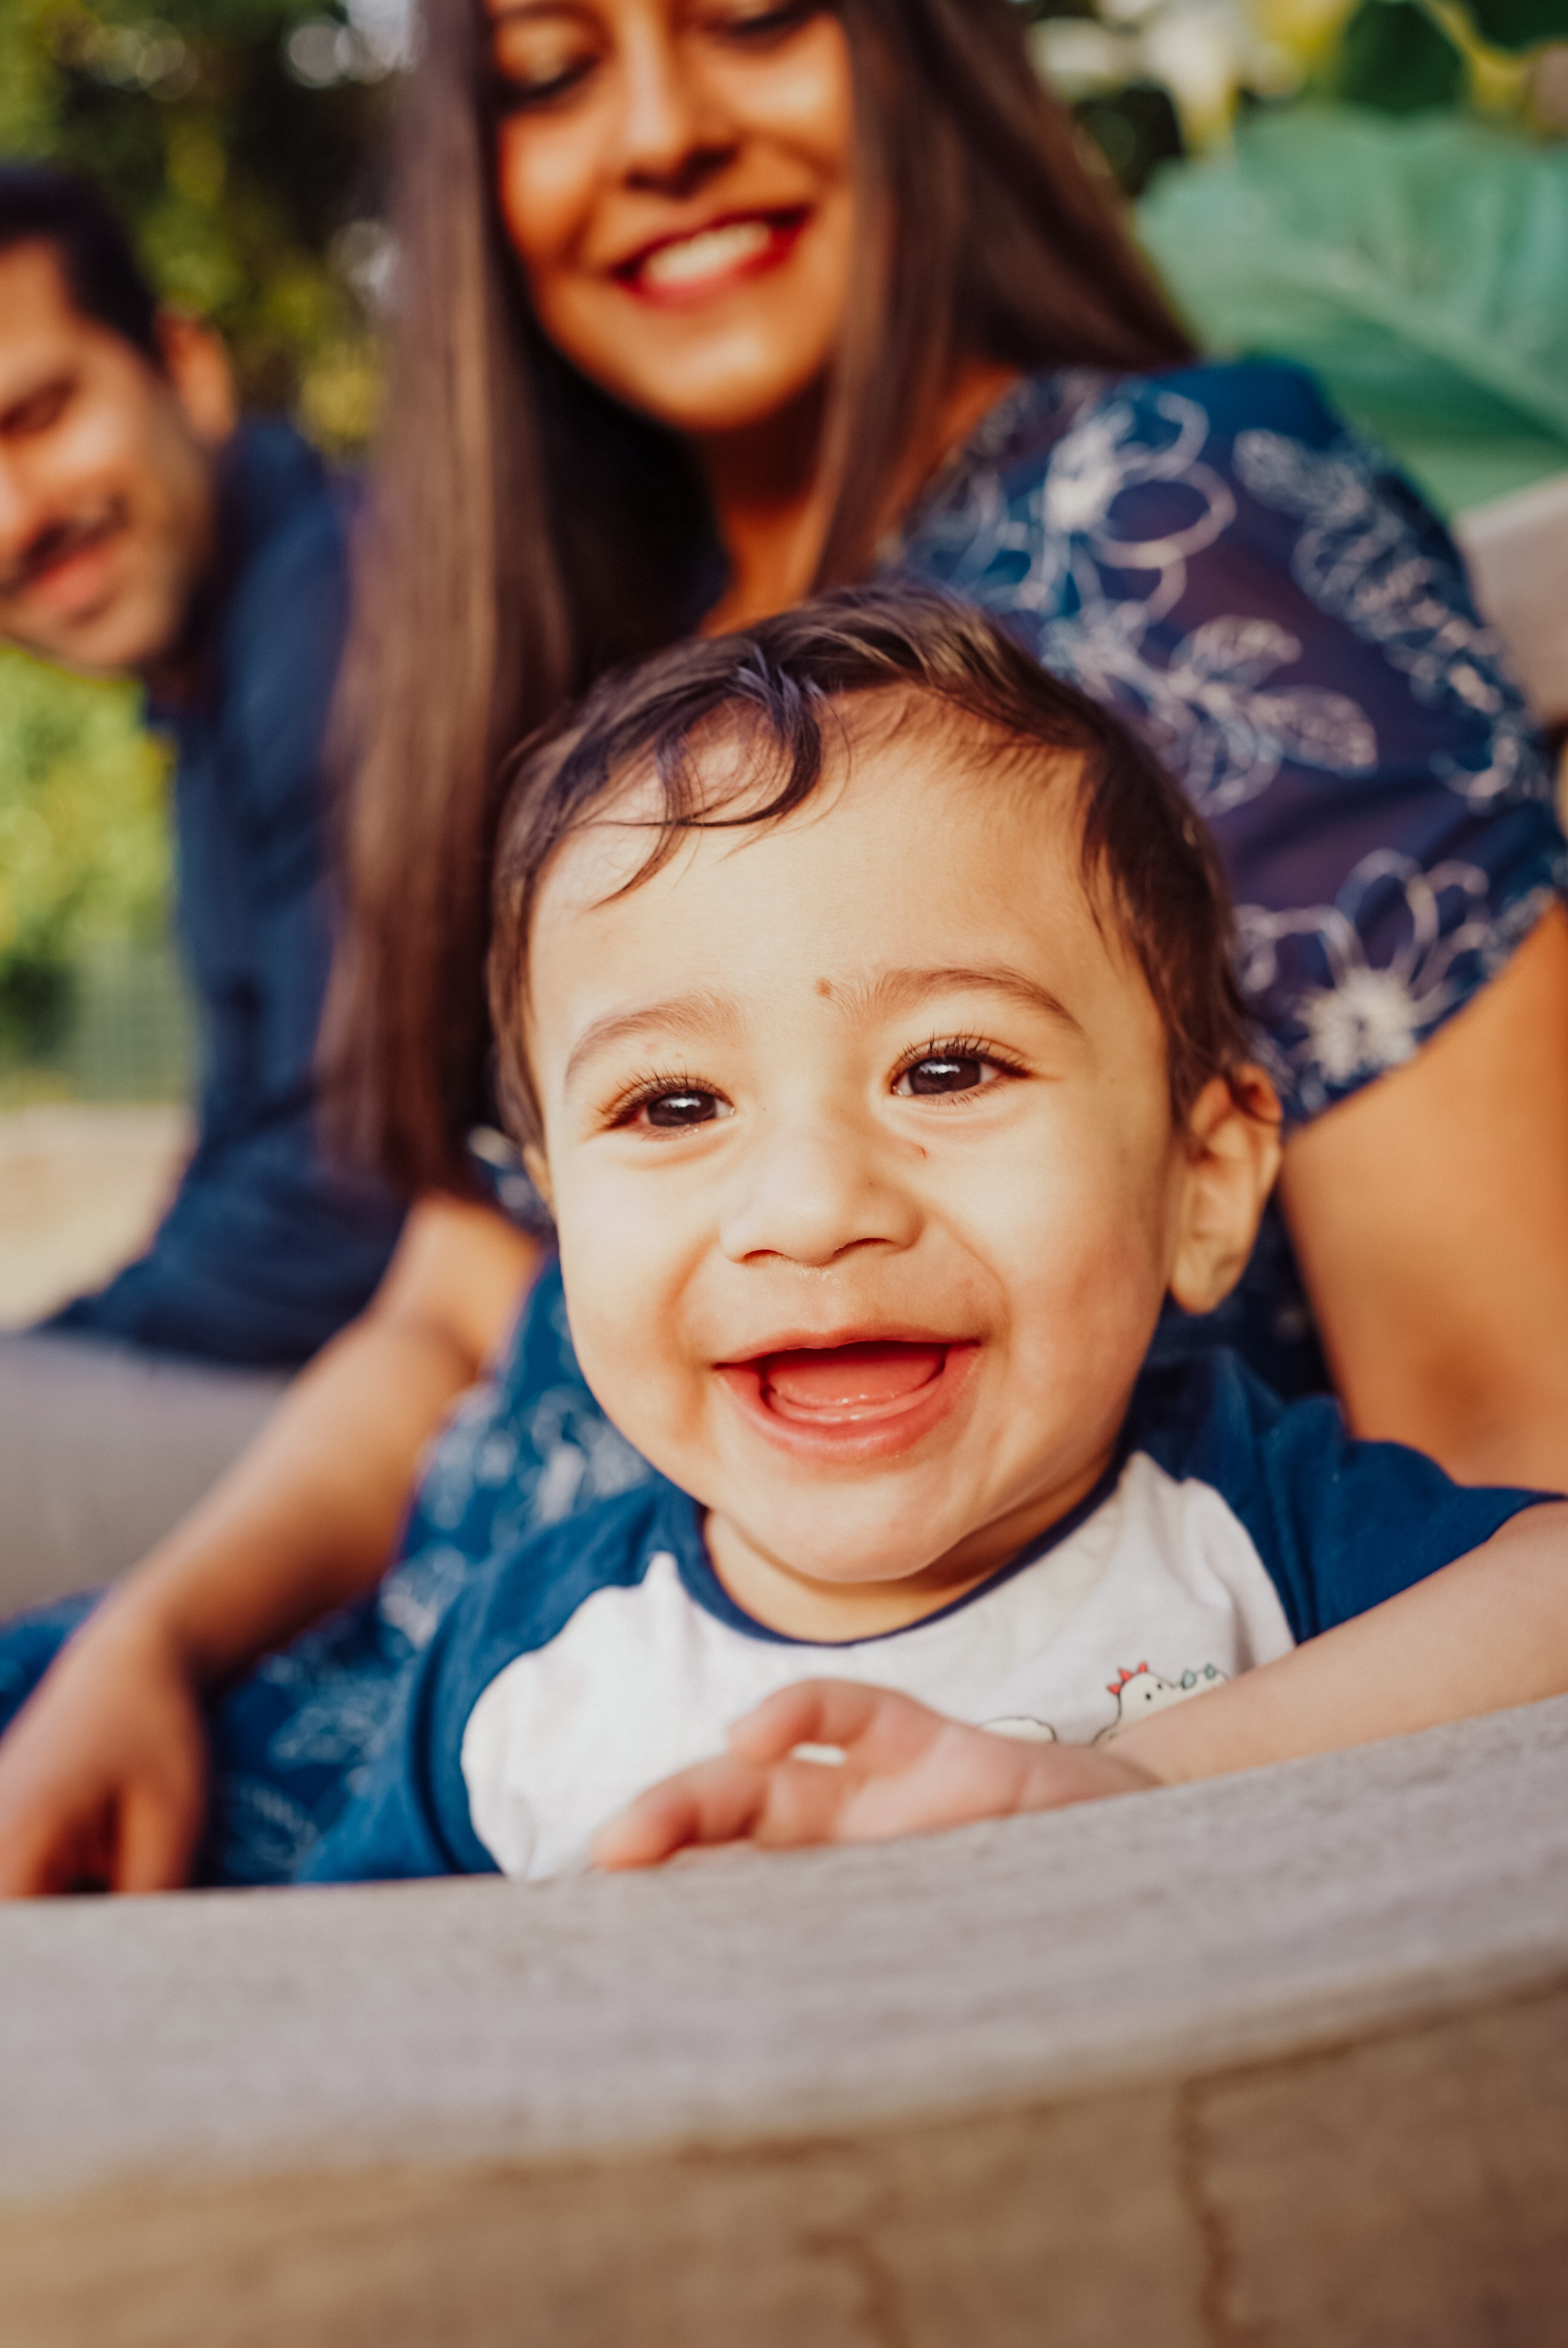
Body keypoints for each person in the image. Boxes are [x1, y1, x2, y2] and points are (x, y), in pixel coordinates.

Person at [3, 0, 1567, 1897]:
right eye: (553, 71)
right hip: (397, 1734)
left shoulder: (1174, 523)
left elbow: (1504, 1420)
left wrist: (1137, 1787)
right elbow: (436, 1317)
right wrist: (145, 1644)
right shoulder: (623, 671)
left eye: (750, 18)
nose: (657, 132)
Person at [300, 592, 1567, 1885]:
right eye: (671, 1104)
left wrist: (1146, 1779)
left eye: (948, 1069)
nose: (811, 1208)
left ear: (1200, 1184)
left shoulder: (1247, 1532)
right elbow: (337, 2033)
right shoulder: (519, 1678)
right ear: (558, 1215)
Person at [0, 168, 405, 1604]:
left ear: (187, 367)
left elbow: (350, 1193)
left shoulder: (338, 607)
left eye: (38, 417)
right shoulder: (217, 680)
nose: (13, 518)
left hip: (430, 1405)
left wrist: (79, 1342)